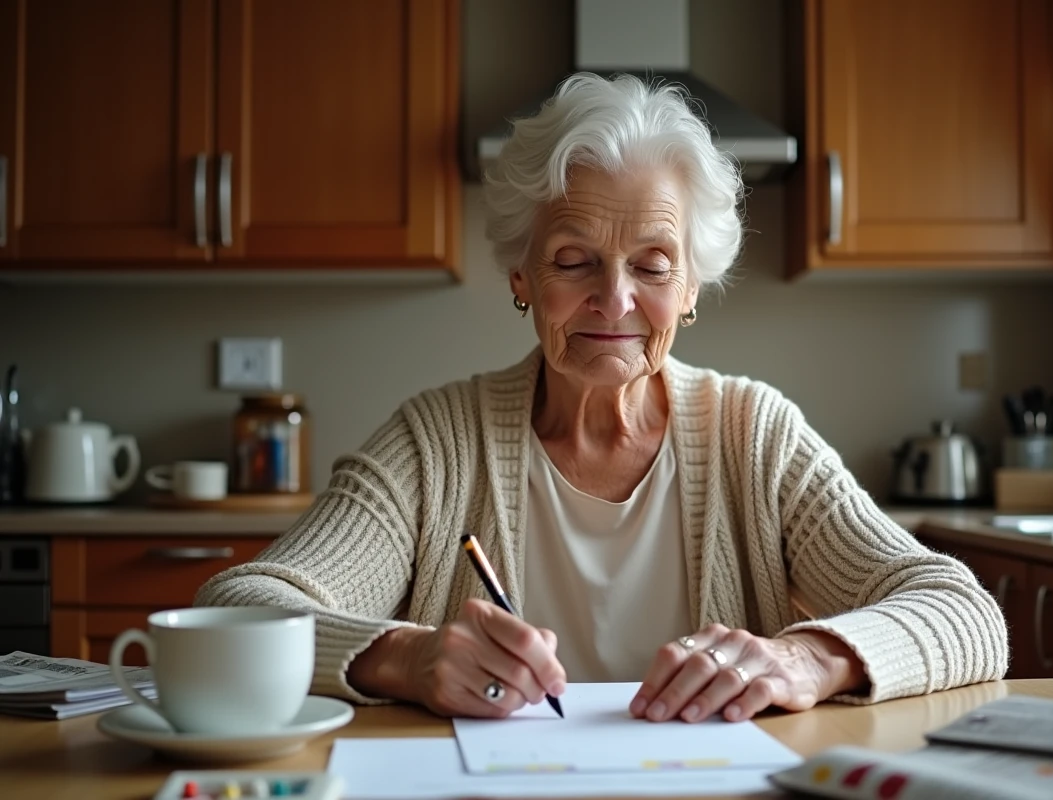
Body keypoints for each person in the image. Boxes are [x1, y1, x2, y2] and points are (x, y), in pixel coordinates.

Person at [196, 73, 1007, 723]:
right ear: (523, 276)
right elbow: (236, 606)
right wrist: (405, 658)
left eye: (652, 266)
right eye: (574, 259)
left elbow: (965, 613)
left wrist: (805, 658)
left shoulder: (754, 436)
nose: (614, 302)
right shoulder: (436, 441)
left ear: (691, 287)